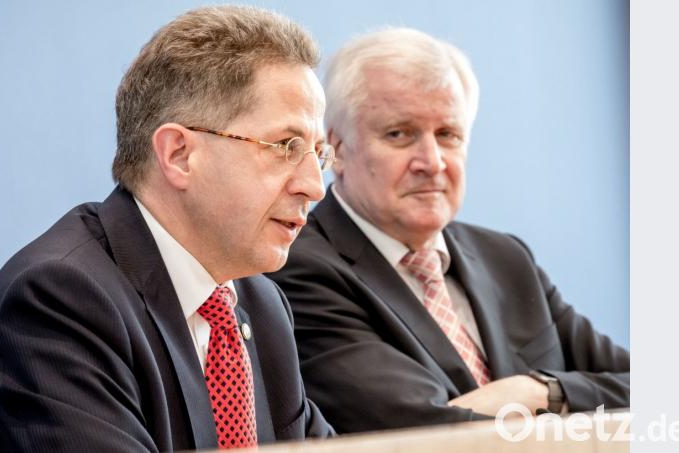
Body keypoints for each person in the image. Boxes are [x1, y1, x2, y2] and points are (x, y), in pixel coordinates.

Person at [0, 5, 336, 451]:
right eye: (284, 146)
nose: (314, 187)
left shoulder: (260, 304)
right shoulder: (59, 299)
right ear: (179, 154)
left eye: (318, 153)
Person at [267, 27, 629, 433]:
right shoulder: (300, 268)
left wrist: (542, 390)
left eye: (448, 135)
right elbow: (425, 429)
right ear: (336, 150)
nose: (432, 162)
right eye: (399, 134)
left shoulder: (506, 258)